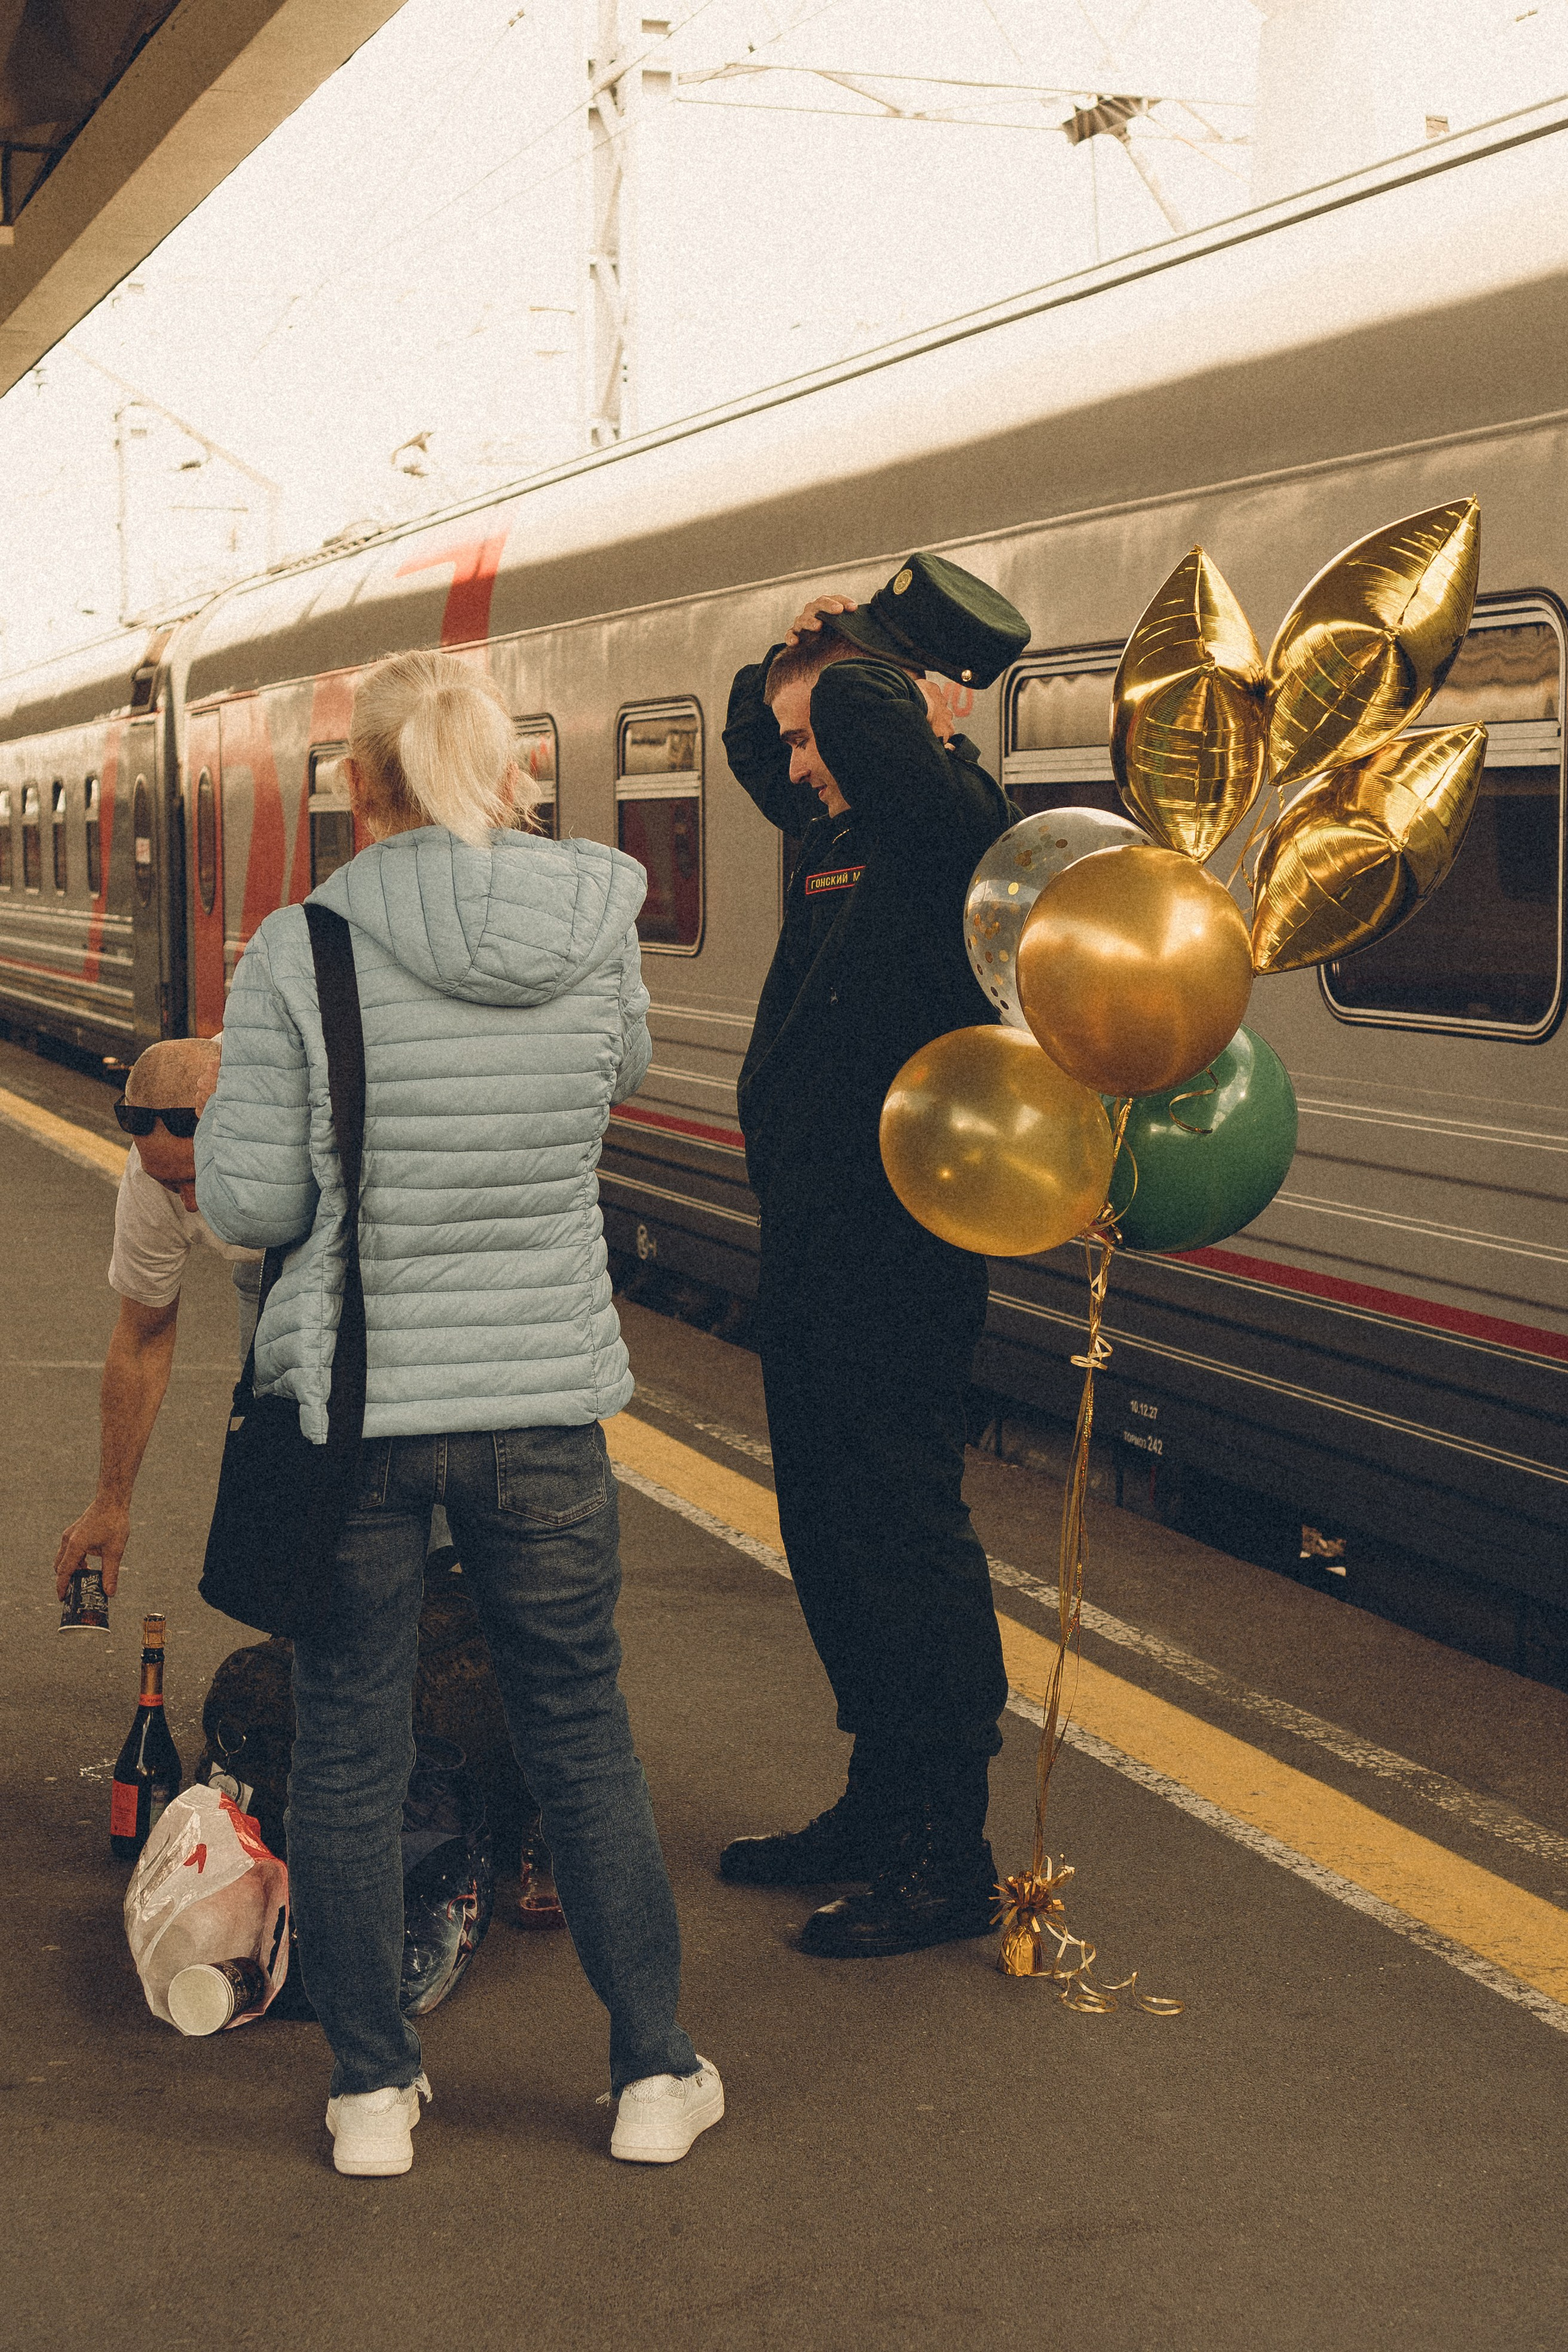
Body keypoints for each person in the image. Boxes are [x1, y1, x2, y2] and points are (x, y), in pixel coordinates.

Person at [195, 649, 720, 2177]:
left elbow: (249, 1195)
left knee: (350, 1742)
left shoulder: (300, 950)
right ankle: (651, 2076)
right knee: (579, 1731)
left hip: (354, 1406)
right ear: (509, 774)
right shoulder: (599, 920)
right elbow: (608, 1076)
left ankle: (372, 2090)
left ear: (356, 788)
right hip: (544, 1398)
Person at [719, 551, 1030, 1960]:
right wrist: (772, 676)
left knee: (900, 1534)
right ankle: (873, 1793)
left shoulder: (951, 832)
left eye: (820, 734)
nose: (800, 765)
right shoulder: (840, 826)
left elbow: (871, 741)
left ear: (906, 710)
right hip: (814, 1240)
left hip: (899, 1251)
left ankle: (939, 1850)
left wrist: (853, 669)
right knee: (828, 1530)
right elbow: (765, 741)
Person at [53, 1038, 262, 1601]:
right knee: (277, 1438)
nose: (191, 1205)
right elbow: (143, 1338)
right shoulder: (151, 1176)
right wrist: (111, 1499)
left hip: (372, 1254)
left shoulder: (294, 1100)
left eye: (199, 1178)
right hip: (264, 1270)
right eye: (174, 1185)